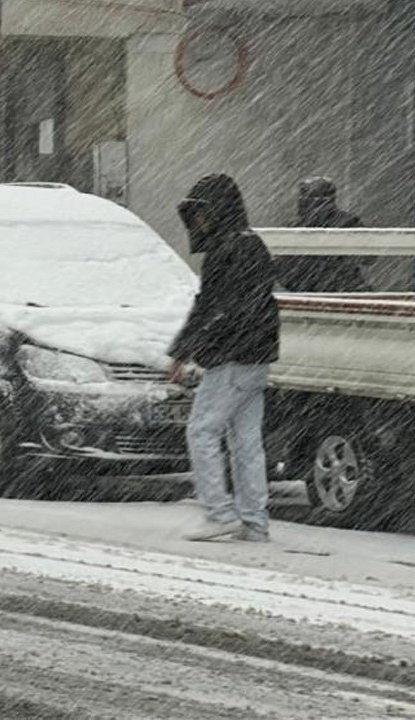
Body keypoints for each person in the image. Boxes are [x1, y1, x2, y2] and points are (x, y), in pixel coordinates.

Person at [168, 173, 281, 543]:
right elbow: (251, 305)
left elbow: (214, 308)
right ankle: (254, 521)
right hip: (256, 358)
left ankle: (218, 513)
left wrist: (187, 350)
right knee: (246, 441)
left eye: (201, 213)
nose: (198, 222)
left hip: (231, 358)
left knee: (201, 430)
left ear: (217, 211)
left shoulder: (225, 250)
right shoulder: (254, 245)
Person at [275, 176, 370, 293]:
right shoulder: (348, 221)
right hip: (344, 291)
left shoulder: (294, 227)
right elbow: (368, 257)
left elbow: (281, 268)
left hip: (306, 294)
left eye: (303, 196)